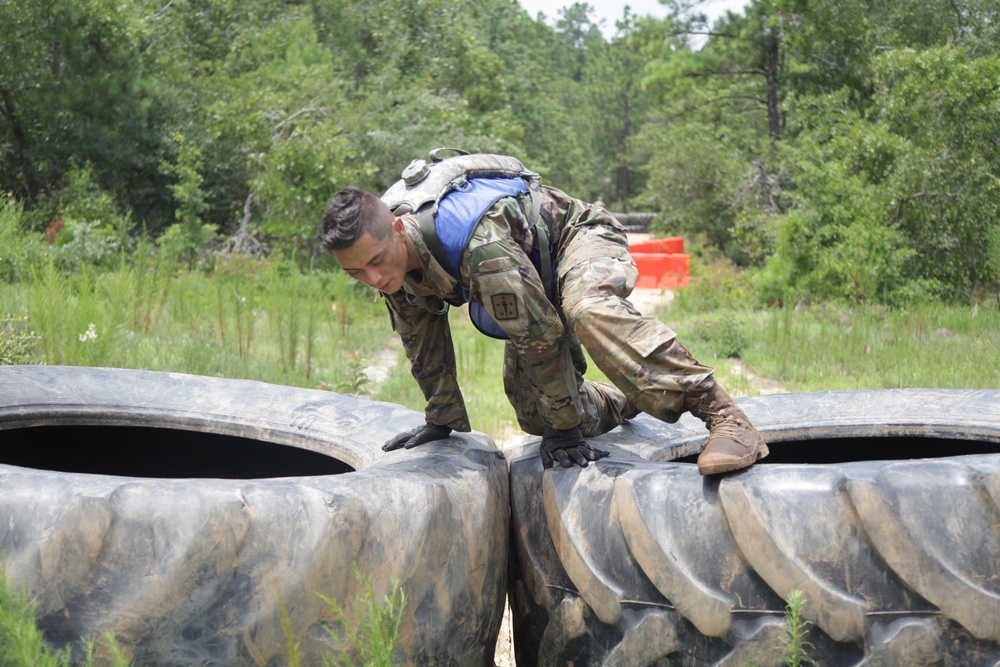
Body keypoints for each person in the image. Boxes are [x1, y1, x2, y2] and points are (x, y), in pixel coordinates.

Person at [319, 150, 768, 474]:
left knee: (587, 311)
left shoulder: (481, 249)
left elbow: (540, 340)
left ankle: (724, 416)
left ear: (398, 230)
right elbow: (423, 342)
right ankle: (634, 394)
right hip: (526, 270)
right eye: (356, 272)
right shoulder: (391, 267)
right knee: (537, 418)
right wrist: (442, 418)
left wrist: (567, 430)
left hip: (572, 239)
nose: (373, 278)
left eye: (376, 261)